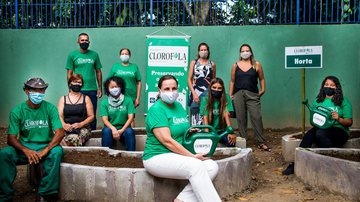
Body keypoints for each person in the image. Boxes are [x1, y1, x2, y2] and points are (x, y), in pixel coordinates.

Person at [143, 75, 221, 202]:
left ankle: (182, 200)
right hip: (157, 157)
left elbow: (181, 129)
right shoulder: (156, 110)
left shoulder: (178, 106)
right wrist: (192, 156)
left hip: (176, 155)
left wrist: (190, 131)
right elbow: (167, 140)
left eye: (174, 88)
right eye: (167, 89)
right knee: (196, 165)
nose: (171, 92)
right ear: (159, 90)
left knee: (212, 166)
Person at [0, 78, 65, 201]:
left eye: (41, 90)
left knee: (57, 152)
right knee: (4, 154)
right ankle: (5, 196)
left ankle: (46, 194)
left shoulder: (50, 108)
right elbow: (11, 138)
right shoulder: (17, 111)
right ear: (26, 91)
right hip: (25, 147)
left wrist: (45, 150)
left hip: (45, 146)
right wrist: (26, 150)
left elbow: (60, 132)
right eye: (34, 90)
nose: (38, 93)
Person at [282, 75, 353, 175]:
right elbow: (315, 118)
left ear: (337, 87)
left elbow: (349, 122)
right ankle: (295, 164)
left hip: (339, 131)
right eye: (326, 84)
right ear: (323, 86)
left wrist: (339, 119)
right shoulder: (318, 101)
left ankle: (332, 164)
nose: (329, 87)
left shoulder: (343, 101)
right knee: (309, 135)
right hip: (322, 128)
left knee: (320, 133)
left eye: (332, 85)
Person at [229, 44, 270, 151]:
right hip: (238, 94)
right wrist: (230, 93)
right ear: (240, 53)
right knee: (241, 118)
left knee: (256, 117)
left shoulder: (256, 65)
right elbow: (232, 80)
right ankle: (243, 141)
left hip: (252, 94)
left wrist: (263, 89)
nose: (245, 52)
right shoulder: (235, 65)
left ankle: (261, 142)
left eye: (247, 50)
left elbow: (262, 78)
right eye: (243, 51)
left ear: (251, 52)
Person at [66, 32, 103, 130]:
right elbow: (69, 73)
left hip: (92, 89)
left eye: (86, 40)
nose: (84, 42)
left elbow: (98, 71)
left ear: (89, 42)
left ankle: (93, 134)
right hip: (78, 89)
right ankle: (77, 132)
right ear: (78, 41)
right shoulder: (72, 55)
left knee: (92, 114)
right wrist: (70, 88)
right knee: (79, 114)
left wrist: (100, 88)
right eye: (82, 40)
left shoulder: (94, 55)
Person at [108, 48, 141, 127]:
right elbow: (109, 81)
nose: (124, 55)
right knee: (119, 116)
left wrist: (137, 98)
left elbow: (139, 82)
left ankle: (131, 135)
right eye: (122, 54)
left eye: (126, 54)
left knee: (131, 117)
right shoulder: (115, 67)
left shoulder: (134, 67)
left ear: (129, 55)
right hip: (117, 96)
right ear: (120, 56)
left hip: (131, 96)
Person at [100, 76, 136, 151]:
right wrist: (113, 129)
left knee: (130, 131)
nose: (114, 89)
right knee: (106, 131)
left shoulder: (128, 100)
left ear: (121, 87)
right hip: (110, 130)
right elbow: (104, 119)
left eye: (116, 86)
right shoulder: (104, 103)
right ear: (107, 88)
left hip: (124, 129)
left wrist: (122, 130)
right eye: (112, 87)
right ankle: (105, 156)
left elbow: (131, 117)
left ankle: (131, 156)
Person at [58, 74, 94, 146]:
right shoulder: (63, 99)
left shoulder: (86, 98)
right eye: (75, 82)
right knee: (56, 134)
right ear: (70, 84)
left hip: (82, 128)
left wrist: (80, 124)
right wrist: (64, 125)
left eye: (79, 82)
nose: (77, 84)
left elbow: (91, 116)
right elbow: (59, 115)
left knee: (74, 138)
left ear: (82, 85)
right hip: (66, 128)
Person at [200, 77, 237, 147]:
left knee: (231, 143)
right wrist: (207, 136)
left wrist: (230, 131)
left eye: (219, 88)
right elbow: (205, 117)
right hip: (209, 130)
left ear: (222, 89)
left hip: (222, 131)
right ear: (210, 87)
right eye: (214, 87)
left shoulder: (226, 97)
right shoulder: (205, 99)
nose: (216, 90)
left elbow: (227, 114)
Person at [188, 42, 216, 126]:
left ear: (208, 51)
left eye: (205, 50)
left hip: (208, 92)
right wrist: (194, 93)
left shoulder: (212, 64)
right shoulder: (194, 62)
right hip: (195, 91)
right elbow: (189, 79)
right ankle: (194, 131)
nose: (203, 51)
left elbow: (214, 81)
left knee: (206, 112)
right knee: (194, 110)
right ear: (198, 52)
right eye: (201, 50)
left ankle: (206, 131)